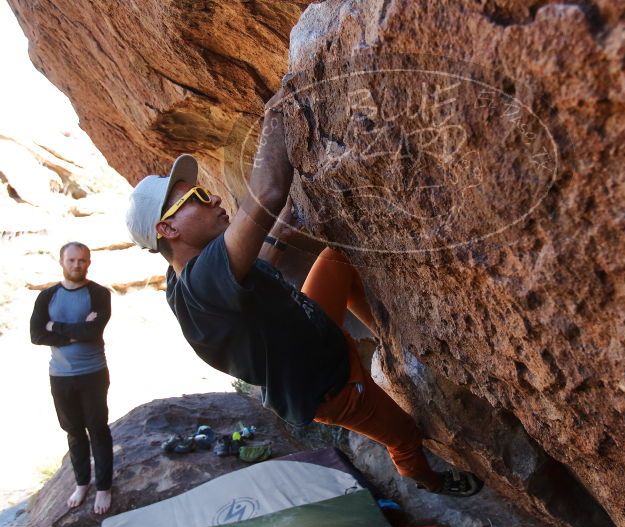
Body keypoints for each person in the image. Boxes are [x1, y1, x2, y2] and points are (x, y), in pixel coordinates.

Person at [124, 89, 482, 497]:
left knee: (337, 259)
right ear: (167, 230)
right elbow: (269, 193)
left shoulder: (184, 281)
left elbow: (244, 285)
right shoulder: (203, 280)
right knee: (403, 435)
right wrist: (279, 108)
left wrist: (276, 237)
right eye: (197, 197)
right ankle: (430, 480)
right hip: (332, 386)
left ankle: (393, 340)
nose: (215, 197)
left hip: (314, 328)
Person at [30, 242, 113, 514]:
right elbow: (37, 336)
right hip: (61, 376)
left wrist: (57, 327)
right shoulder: (47, 297)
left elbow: (93, 331)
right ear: (62, 261)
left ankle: (103, 487)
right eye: (72, 260)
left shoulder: (99, 294)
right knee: (74, 432)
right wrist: (78, 330)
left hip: (93, 374)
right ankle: (81, 482)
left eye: (82, 260)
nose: (77, 265)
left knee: (97, 429)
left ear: (89, 262)